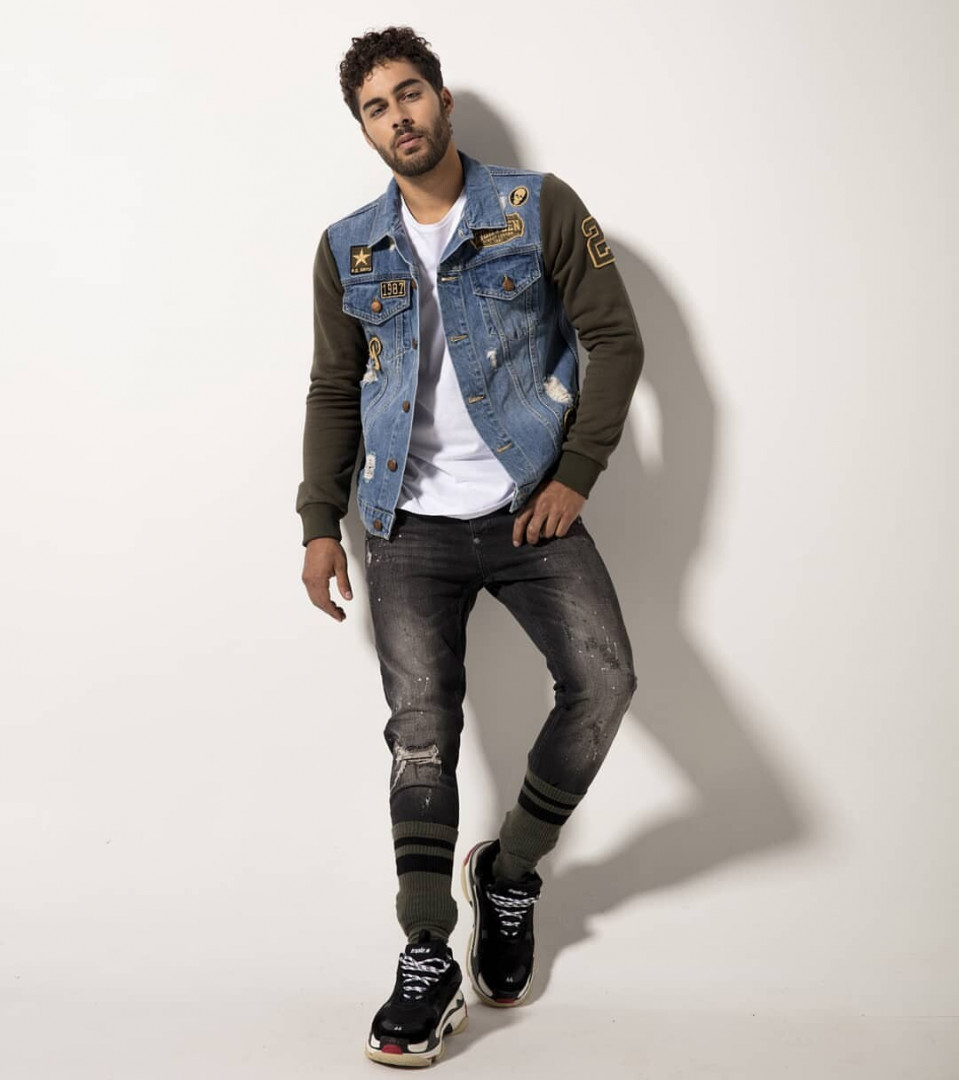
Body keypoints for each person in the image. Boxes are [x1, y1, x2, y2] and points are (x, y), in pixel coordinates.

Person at [296, 26, 644, 1067]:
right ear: (364, 129)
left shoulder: (537, 207)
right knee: (420, 731)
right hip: (403, 524)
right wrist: (317, 522)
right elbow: (331, 388)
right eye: (376, 107)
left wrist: (575, 473)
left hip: (529, 509)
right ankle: (425, 954)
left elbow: (614, 338)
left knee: (604, 682)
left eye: (409, 94)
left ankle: (511, 871)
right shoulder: (348, 247)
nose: (397, 117)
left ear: (442, 101)